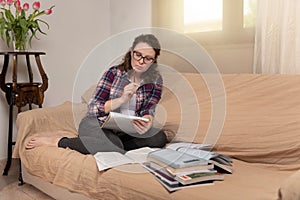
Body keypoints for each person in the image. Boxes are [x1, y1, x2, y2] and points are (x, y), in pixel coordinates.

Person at [25, 34, 167, 154]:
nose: (141, 61)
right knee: (113, 145)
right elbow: (93, 108)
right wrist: (121, 99)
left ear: (154, 61)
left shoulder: (156, 80)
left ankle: (114, 147)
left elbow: (149, 108)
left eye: (148, 58)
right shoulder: (113, 73)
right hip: (97, 124)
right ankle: (59, 141)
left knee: (158, 138)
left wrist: (147, 120)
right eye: (138, 55)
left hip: (125, 131)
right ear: (131, 52)